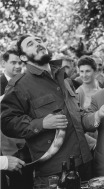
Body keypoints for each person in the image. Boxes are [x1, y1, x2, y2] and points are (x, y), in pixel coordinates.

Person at [1, 34, 96, 187]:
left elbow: (77, 114)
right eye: (30, 44)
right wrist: (42, 123)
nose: (38, 44)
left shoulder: (64, 78)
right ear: (24, 57)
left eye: (39, 40)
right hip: (54, 173)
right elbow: (7, 123)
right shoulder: (19, 85)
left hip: (84, 164)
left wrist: (96, 117)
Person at [1, 48, 33, 189]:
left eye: (20, 62)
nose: (18, 66)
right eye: (13, 62)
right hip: (5, 148)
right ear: (4, 63)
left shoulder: (27, 83)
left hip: (27, 145)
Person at [76, 56, 101, 152]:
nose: (84, 75)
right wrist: (93, 144)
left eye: (87, 71)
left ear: (95, 71)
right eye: (81, 71)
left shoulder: (101, 91)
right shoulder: (78, 93)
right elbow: (76, 125)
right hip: (89, 144)